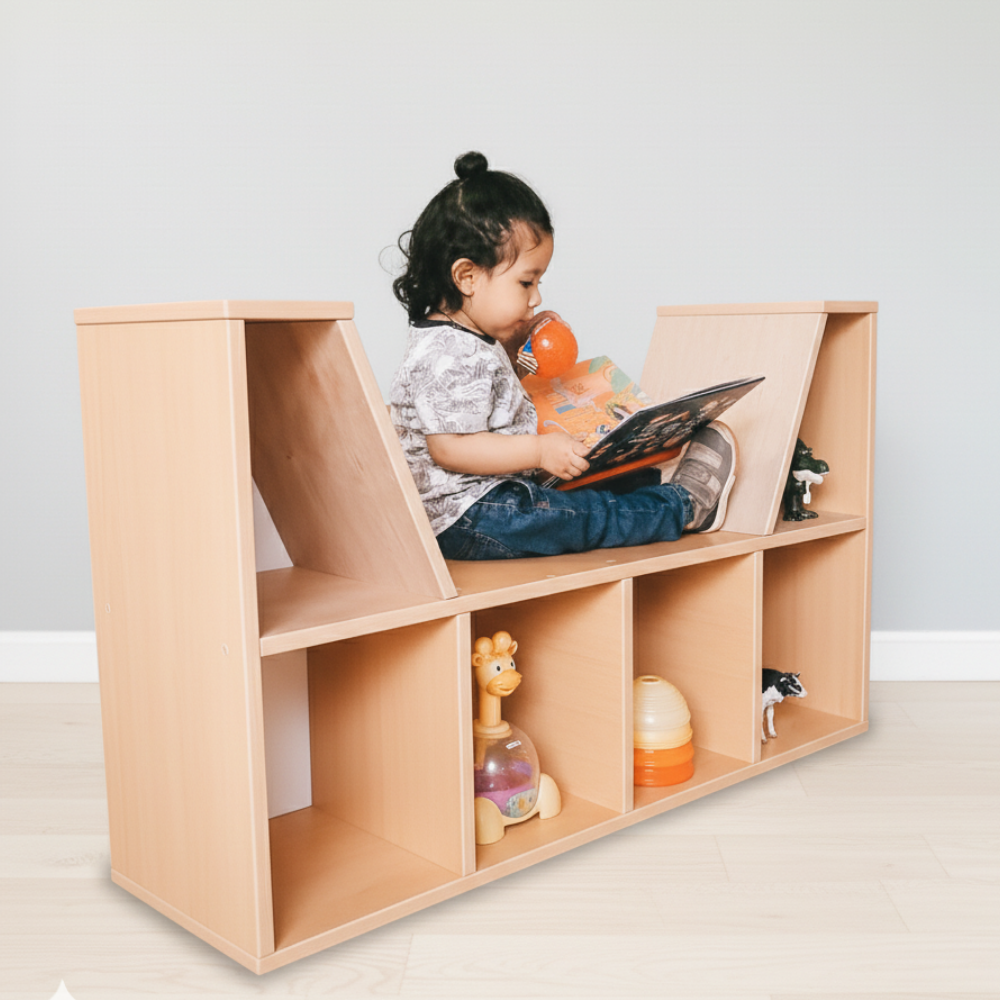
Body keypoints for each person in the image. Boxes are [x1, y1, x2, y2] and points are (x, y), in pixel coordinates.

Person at [389, 151, 737, 560]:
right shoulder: (448, 352)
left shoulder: (464, 339)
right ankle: (683, 508)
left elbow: (485, 405)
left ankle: (653, 484)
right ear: (467, 276)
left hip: (492, 499)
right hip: (471, 516)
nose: (536, 297)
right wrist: (539, 451)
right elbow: (450, 448)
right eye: (525, 282)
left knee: (592, 485)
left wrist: (518, 352)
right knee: (585, 517)